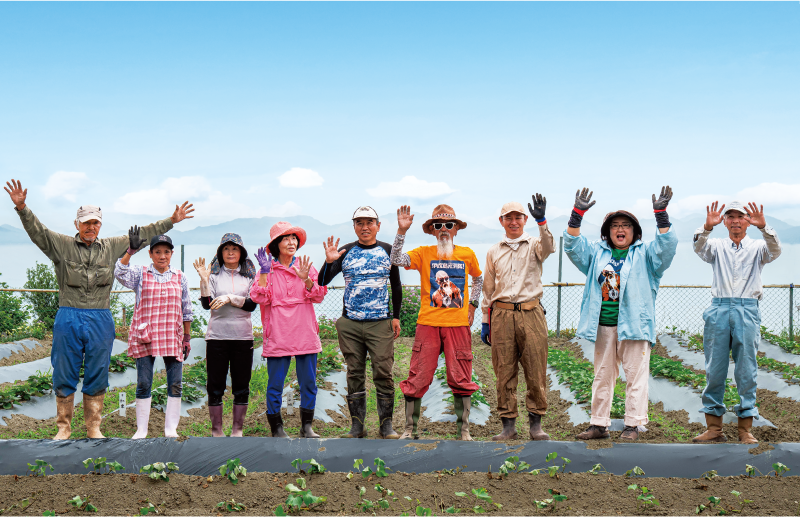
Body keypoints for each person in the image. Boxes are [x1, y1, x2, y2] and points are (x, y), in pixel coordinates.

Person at [3, 179, 193, 440]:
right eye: (86, 223)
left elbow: (145, 234)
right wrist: (23, 208)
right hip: (69, 314)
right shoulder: (62, 245)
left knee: (98, 369)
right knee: (64, 368)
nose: (91, 227)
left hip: (100, 317)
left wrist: (171, 221)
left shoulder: (112, 246)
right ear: (77, 224)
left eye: (95, 223)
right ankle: (63, 427)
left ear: (100, 225)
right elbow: (40, 233)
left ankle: (93, 426)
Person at [566, 187, 677, 441]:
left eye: (626, 225)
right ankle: (598, 424)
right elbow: (572, 246)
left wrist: (661, 215)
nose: (620, 229)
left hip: (635, 326)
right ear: (608, 231)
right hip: (604, 325)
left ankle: (632, 425)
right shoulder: (597, 253)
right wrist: (577, 214)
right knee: (602, 375)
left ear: (634, 231)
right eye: (615, 225)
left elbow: (666, 248)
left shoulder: (646, 255)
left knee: (636, 377)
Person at [391, 204, 483, 441]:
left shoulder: (467, 254)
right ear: (432, 230)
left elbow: (478, 278)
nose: (444, 229)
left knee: (461, 374)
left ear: (456, 230)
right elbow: (396, 259)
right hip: (428, 324)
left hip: (458, 326)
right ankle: (409, 429)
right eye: (438, 225)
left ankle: (464, 431)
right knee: (418, 374)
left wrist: (472, 304)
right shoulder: (423, 253)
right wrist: (401, 231)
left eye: (449, 225)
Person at [692, 201, 781, 444]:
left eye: (740, 216)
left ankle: (745, 431)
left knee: (747, 370)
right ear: (724, 221)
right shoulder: (716, 246)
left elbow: (775, 251)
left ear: (747, 220)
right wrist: (707, 228)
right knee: (715, 369)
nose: (735, 221)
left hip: (747, 309)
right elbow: (699, 248)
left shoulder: (758, 247)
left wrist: (765, 228)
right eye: (730, 216)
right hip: (719, 307)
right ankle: (714, 428)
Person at [318, 206, 402, 439]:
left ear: (378, 225)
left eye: (369, 222)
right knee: (354, 372)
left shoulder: (388, 250)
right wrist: (328, 262)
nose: (365, 227)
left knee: (383, 372)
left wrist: (395, 316)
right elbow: (322, 281)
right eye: (359, 223)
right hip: (351, 323)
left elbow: (395, 285)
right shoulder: (345, 251)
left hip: (380, 322)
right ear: (354, 226)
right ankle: (357, 427)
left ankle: (386, 427)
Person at [481, 195, 555, 441]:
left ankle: (536, 425)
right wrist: (485, 320)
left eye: (518, 218)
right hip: (501, 314)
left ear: (525, 220)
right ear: (501, 221)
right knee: (504, 370)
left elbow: (549, 247)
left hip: (531, 312)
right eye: (508, 218)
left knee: (536, 368)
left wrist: (542, 221)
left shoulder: (535, 244)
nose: (514, 222)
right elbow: (488, 289)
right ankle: (508, 426)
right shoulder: (494, 251)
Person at [250, 222, 327, 438]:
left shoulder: (305, 266)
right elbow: (258, 296)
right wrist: (265, 272)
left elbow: (319, 295)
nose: (292, 242)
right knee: (275, 384)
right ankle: (277, 428)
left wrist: (307, 280)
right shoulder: (268, 269)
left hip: (305, 333)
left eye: (294, 238)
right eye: (286, 238)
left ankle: (307, 426)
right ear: (276, 244)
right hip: (278, 334)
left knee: (308, 383)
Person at [115, 231, 193, 439]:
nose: (162, 256)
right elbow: (120, 272)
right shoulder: (140, 274)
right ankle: (142, 429)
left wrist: (187, 337)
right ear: (150, 254)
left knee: (175, 382)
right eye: (157, 252)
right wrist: (130, 252)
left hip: (172, 335)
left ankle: (171, 429)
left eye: (166, 252)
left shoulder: (180, 277)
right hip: (146, 336)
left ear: (171, 254)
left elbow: (186, 309)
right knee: (144, 382)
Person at [193, 233, 257, 437]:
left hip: (243, 336)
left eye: (235, 249)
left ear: (241, 253)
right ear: (220, 253)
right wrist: (204, 280)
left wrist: (230, 298)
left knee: (241, 383)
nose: (230, 252)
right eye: (226, 249)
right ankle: (217, 430)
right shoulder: (213, 276)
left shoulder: (248, 277)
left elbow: (252, 304)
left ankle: (237, 429)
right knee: (215, 384)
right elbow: (206, 304)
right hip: (217, 337)